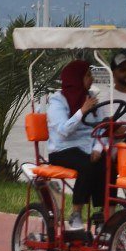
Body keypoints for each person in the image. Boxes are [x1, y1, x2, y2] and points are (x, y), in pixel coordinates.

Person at [46, 60, 105, 232]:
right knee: (87, 164)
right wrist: (82, 111)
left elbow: (101, 127)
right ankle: (76, 213)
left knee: (106, 162)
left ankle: (102, 213)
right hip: (62, 149)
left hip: (87, 148)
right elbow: (64, 131)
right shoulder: (58, 101)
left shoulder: (90, 98)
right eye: (87, 75)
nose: (92, 78)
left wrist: (98, 148)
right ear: (75, 78)